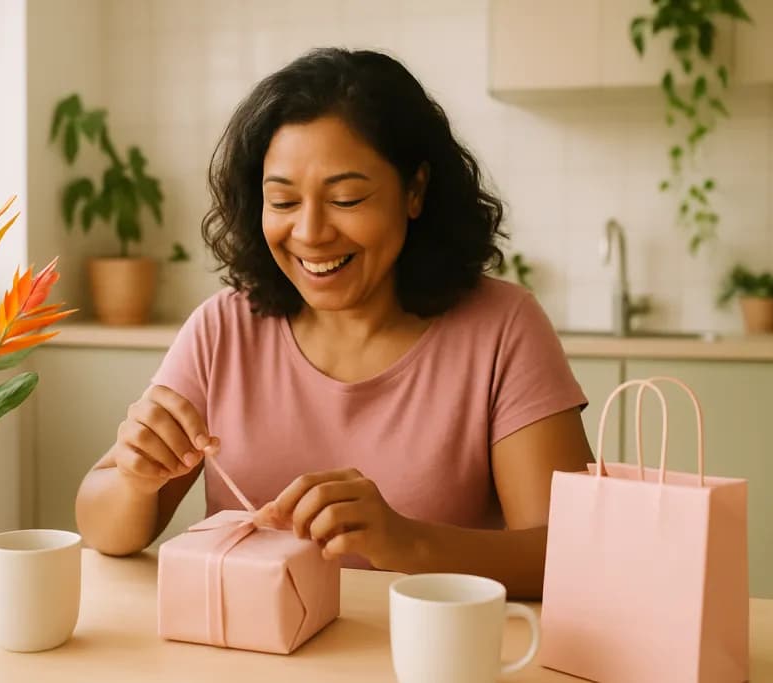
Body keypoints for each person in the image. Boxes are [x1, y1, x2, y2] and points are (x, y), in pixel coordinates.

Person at [75, 47, 591, 599]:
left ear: (415, 191)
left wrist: (408, 542)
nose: (311, 233)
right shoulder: (223, 329)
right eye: (283, 202)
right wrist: (135, 479)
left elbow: (568, 555)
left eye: (346, 198)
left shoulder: (503, 329)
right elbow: (102, 529)